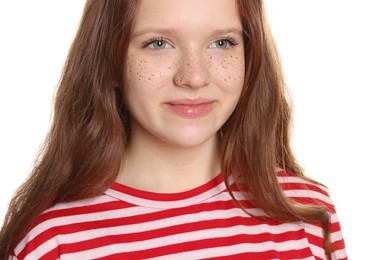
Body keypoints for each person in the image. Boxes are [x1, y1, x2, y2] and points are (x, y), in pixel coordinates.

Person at [0, 0, 347, 259]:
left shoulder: (306, 213)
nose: (194, 76)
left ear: (250, 56)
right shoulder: (51, 242)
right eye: (158, 44)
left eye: (222, 43)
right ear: (110, 63)